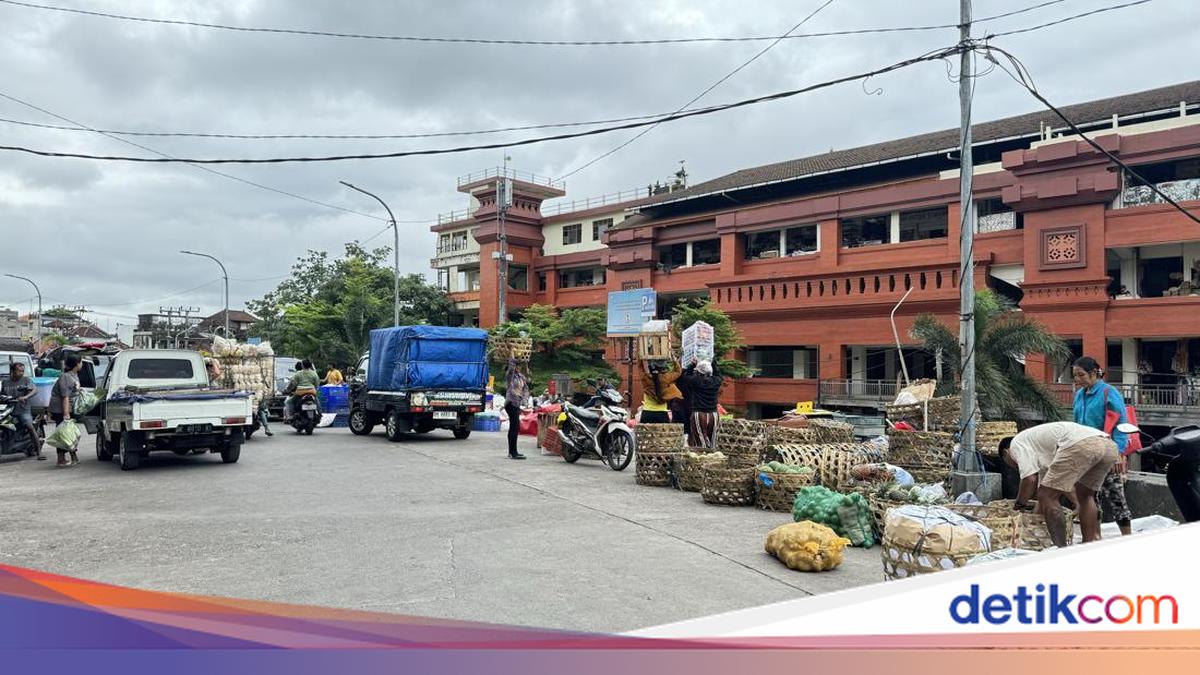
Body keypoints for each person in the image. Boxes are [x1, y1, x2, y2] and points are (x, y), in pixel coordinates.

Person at [998, 421, 1120, 547]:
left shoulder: (1016, 444)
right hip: (1107, 445)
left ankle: (1061, 549)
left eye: (1007, 462)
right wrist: (1076, 502)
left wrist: (1019, 505)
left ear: (1006, 453)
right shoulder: (1040, 451)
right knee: (1085, 496)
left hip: (1081, 444)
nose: (1013, 467)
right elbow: (1059, 484)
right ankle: (1088, 545)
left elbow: (1030, 480)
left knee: (1047, 496)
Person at [1071, 356, 1132, 536]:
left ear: (1093, 373)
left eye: (1081, 375)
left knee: (1116, 497)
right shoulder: (1079, 395)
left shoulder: (1108, 392)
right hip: (1087, 453)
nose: (1077, 379)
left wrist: (1118, 452)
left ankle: (1127, 537)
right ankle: (1094, 537)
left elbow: (1121, 424)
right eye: (1075, 376)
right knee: (1089, 497)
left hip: (1106, 452)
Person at [2, 361, 44, 460]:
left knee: (30, 427)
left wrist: (25, 397)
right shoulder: (5, 382)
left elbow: (34, 390)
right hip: (8, 411)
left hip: (22, 410)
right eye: (19, 371)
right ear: (12, 371)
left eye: (22, 371)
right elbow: (2, 394)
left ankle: (39, 452)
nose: (21, 373)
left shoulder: (26, 380)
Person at [48, 352, 83, 467]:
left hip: (69, 407)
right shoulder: (66, 377)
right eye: (81, 362)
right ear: (76, 364)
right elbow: (65, 396)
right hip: (61, 408)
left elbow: (74, 391)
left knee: (70, 433)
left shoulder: (74, 375)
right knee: (63, 433)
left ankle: (73, 456)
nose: (82, 364)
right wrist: (66, 413)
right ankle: (61, 459)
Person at [680, 360, 722, 448]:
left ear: (699, 371)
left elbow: (686, 376)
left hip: (699, 413)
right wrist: (714, 363)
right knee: (713, 441)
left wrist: (691, 365)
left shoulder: (696, 381)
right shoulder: (716, 381)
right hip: (713, 414)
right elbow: (718, 375)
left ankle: (703, 457)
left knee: (699, 441)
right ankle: (713, 457)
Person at [640, 358, 683, 425]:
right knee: (663, 435)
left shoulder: (646, 378)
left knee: (646, 435)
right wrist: (674, 359)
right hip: (662, 414)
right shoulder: (665, 378)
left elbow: (640, 367)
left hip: (647, 413)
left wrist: (642, 357)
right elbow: (678, 372)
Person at [504, 359, 529, 460]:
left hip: (517, 403)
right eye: (516, 366)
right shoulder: (510, 376)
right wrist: (512, 354)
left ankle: (513, 451)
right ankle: (512, 452)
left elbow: (526, 389)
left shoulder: (522, 377)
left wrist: (525, 400)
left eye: (519, 366)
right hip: (511, 403)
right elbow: (510, 369)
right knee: (514, 427)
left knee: (515, 427)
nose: (518, 368)